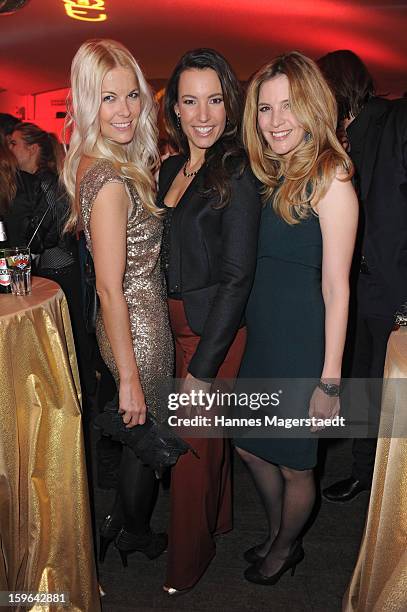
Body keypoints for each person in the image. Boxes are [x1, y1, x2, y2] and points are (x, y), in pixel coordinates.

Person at [234, 51, 358, 585]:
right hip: (264, 335)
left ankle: (285, 547)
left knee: (294, 463)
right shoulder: (269, 175)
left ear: (313, 108)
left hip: (304, 342)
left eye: (289, 106)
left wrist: (329, 382)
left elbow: (337, 286)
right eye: (266, 108)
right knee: (247, 443)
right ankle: (277, 528)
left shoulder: (333, 180)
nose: (277, 121)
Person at [63, 39, 173, 566]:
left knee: (139, 440)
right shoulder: (108, 181)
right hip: (137, 324)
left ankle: (119, 525)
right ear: (88, 102)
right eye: (109, 98)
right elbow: (110, 288)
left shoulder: (96, 163)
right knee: (146, 444)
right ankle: (132, 531)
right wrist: (129, 375)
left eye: (132, 95)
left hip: (127, 320)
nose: (125, 109)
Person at [158, 48, 261, 594]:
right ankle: (218, 521)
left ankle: (186, 565)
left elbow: (238, 278)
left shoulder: (238, 168)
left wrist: (203, 362)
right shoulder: (175, 165)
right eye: (190, 101)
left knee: (190, 452)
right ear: (174, 108)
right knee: (208, 440)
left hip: (213, 332)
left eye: (215, 100)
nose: (203, 115)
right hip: (175, 325)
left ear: (230, 103)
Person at [318, 50, 407, 503]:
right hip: (358, 289)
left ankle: (380, 483)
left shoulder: (395, 122)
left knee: (388, 391)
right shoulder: (337, 140)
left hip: (394, 290)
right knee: (363, 384)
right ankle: (364, 474)